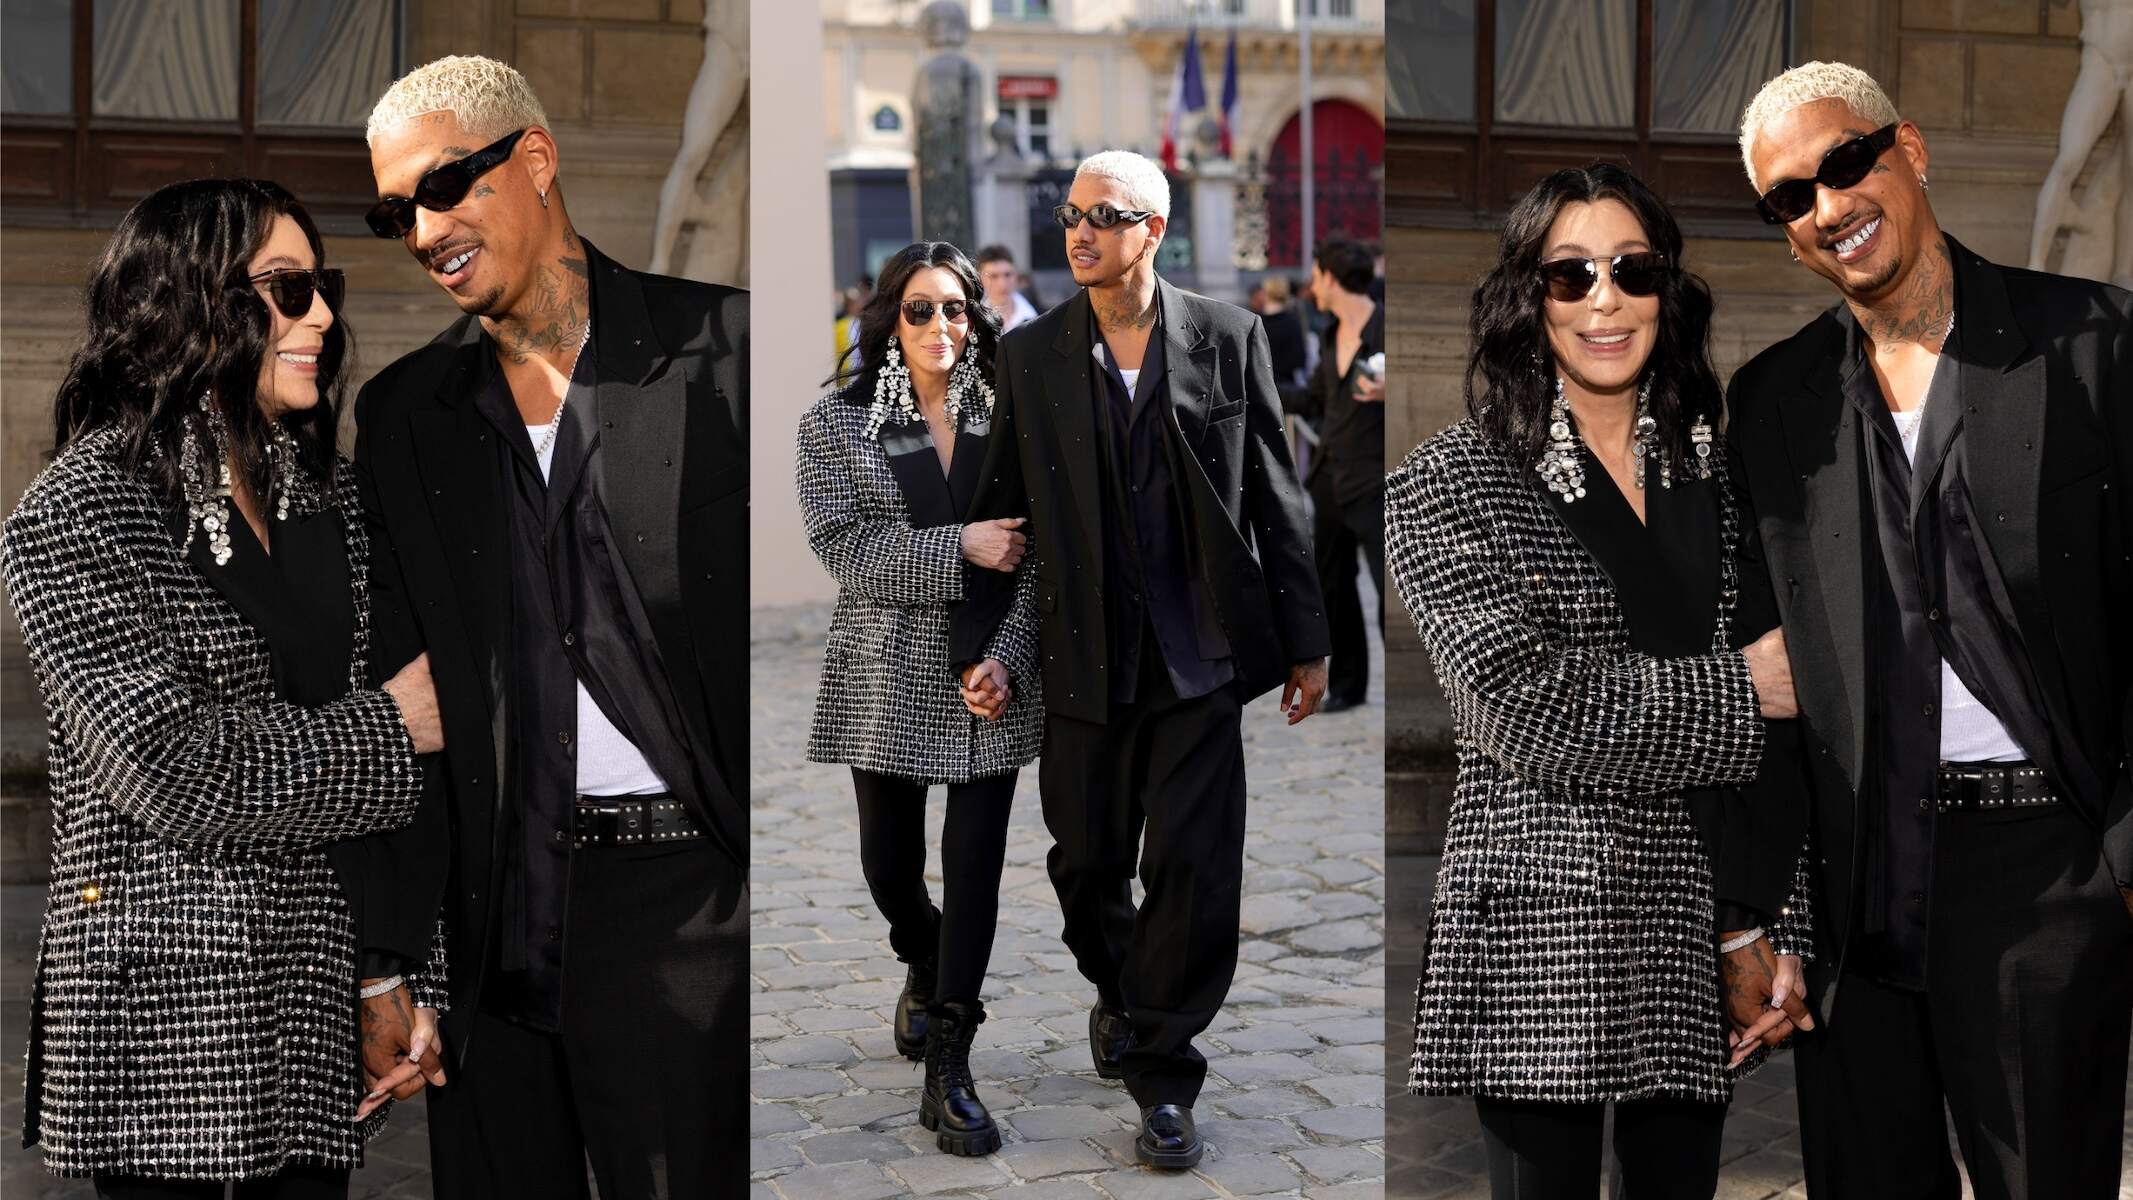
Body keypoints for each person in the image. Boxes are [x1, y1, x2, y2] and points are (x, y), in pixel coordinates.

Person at [1729, 61, 2133, 1197]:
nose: (1828, 206)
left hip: (2046, 874)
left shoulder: (2096, 344)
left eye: (1845, 163)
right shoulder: (1774, 402)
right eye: (1791, 200)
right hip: (1862, 892)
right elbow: (1773, 672)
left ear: (1908, 149)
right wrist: (1751, 916)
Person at [350, 55, 749, 1197]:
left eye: (444, 187)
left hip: (689, 906)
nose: (423, 232)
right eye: (395, 213)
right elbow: (400, 691)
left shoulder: (728, 351)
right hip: (495, 929)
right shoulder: (404, 418)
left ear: (533, 159)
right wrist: (388, 962)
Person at [0, 178, 446, 1198]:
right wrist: (392, 728)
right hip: (166, 1038)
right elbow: (173, 769)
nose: (325, 315)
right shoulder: (79, 512)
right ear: (191, 307)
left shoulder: (327, 494)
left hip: (310, 1011)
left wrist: (392, 972)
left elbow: (410, 790)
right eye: (289, 289)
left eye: (323, 286)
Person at [1385, 162, 1817, 1198]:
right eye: (1569, 275)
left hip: (1701, 916)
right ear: (1526, 300)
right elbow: (1527, 705)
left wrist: (1770, 923)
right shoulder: (1448, 484)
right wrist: (1738, 688)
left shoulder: (1726, 474)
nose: (1605, 300)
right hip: (1546, 923)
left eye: (1632, 269)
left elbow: (1805, 719)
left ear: (1668, 289)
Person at [952, 149, 1332, 1170]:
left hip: (1197, 656)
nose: (1079, 232)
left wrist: (1308, 638)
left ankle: (1164, 1074)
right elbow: (997, 510)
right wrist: (978, 646)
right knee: (1083, 868)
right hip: (1083, 660)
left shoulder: (1228, 335)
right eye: (1070, 215)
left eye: (1103, 215)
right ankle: (1126, 995)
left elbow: (1275, 494)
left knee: (1194, 870)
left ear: (1153, 230)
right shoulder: (1029, 358)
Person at [795, 241, 1043, 1158]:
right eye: (919, 310)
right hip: (885, 675)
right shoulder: (839, 423)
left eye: (956, 309)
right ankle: (919, 956)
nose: (941, 327)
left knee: (973, 870)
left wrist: (1007, 657)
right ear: (887, 321)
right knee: (889, 868)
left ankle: (951, 1057)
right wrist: (961, 546)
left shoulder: (1010, 417)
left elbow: (1040, 556)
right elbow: (845, 549)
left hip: (988, 678)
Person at [1300, 239, 1386, 712]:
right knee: (1333, 588)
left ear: (1330, 278)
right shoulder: (1332, 334)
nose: (1312, 287)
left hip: (1376, 485)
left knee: (1389, 589)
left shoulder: (1387, 326)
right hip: (1330, 480)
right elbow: (1315, 398)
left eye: (1316, 277)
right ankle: (1349, 687)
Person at [976, 243, 1040, 331]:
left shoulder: (1036, 314)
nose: (1002, 284)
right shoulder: (973, 319)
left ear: (1016, 275)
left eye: (1007, 275)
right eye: (993, 276)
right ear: (980, 279)